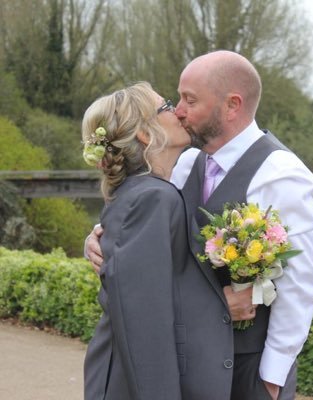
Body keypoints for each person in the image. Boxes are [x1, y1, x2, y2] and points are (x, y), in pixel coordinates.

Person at [86, 51, 313, 400]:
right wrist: (98, 238)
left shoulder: (283, 174)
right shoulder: (185, 162)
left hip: (248, 371)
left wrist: (270, 379)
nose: (179, 110)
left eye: (189, 100)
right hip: (193, 366)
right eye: (177, 99)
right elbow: (150, 241)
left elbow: (299, 285)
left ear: (231, 106)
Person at [82, 82, 235, 400]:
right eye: (166, 106)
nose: (178, 111)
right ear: (144, 133)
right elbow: (144, 319)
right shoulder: (153, 197)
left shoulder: (140, 192)